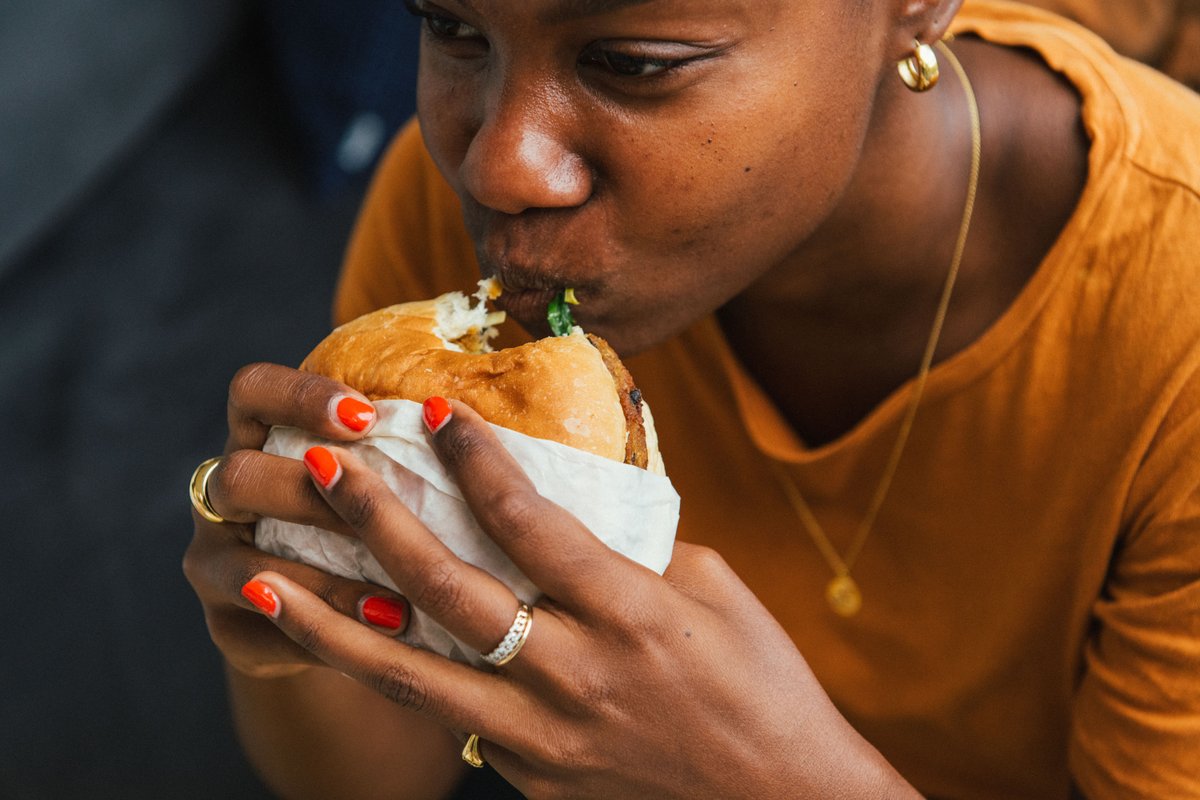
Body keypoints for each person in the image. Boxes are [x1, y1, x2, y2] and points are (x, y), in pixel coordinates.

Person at [183, 0, 1200, 797]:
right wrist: (301, 599)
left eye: (633, 61)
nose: (497, 164)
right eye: (452, 28)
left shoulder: (1172, 330)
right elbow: (378, 778)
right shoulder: (457, 254)